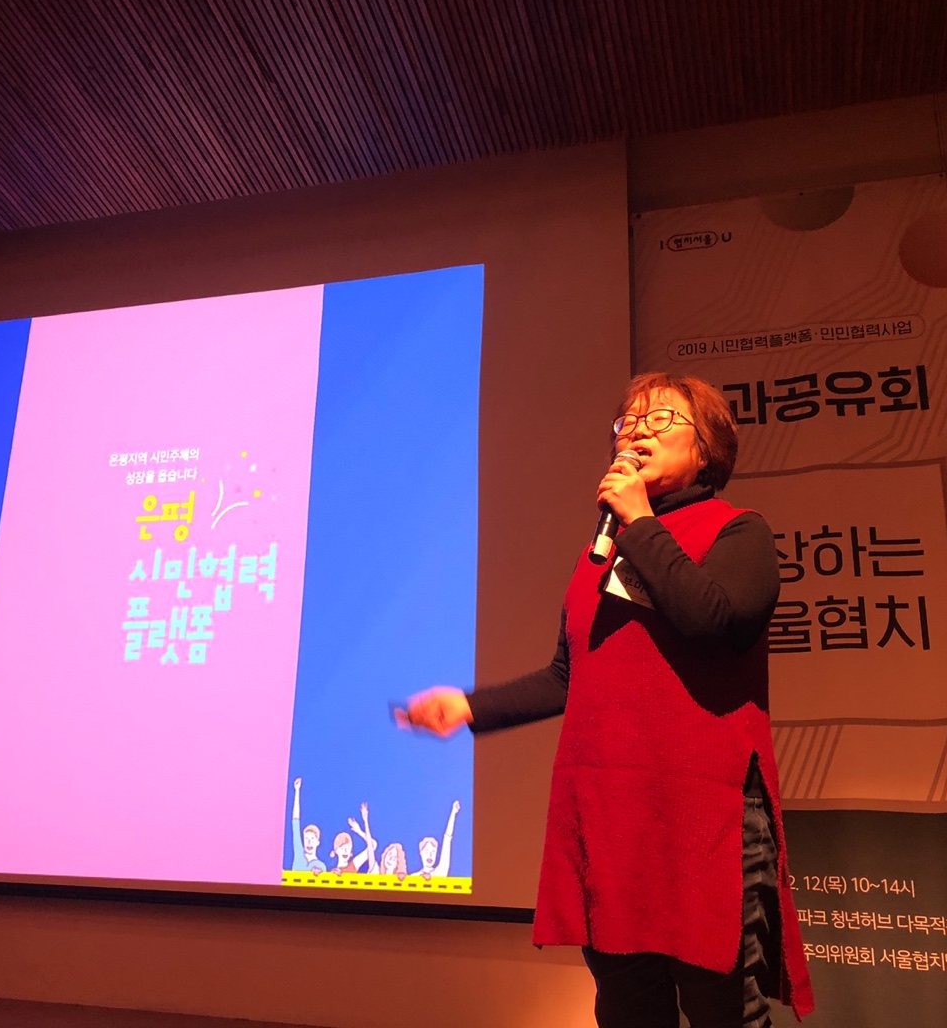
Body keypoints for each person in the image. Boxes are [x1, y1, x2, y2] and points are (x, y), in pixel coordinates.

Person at [405, 373, 814, 1027]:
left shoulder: (738, 532)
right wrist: (471, 707)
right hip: (612, 816)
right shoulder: (603, 551)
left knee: (721, 1011)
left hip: (705, 816)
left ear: (707, 448)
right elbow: (569, 675)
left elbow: (713, 620)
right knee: (628, 1010)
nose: (638, 432)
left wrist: (640, 522)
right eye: (630, 422)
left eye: (662, 420)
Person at [413, 799, 461, 879]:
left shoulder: (440, 873)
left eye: (433, 852)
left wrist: (453, 813)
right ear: (421, 852)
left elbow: (447, 839)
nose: (430, 855)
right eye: (427, 851)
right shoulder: (413, 877)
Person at [289, 777, 326, 874]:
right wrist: (297, 791)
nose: (309, 842)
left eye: (312, 839)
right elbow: (295, 821)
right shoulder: (299, 854)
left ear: (318, 842)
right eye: (306, 839)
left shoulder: (321, 865)